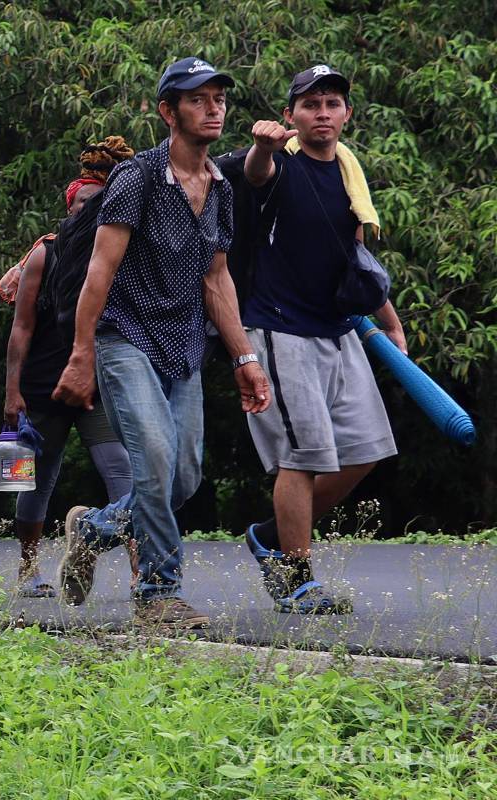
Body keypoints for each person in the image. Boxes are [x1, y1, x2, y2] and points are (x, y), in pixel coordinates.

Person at [53, 57, 271, 629]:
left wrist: (244, 356)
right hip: (124, 335)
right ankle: (158, 593)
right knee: (153, 460)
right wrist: (82, 355)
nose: (213, 108)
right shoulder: (138, 178)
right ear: (168, 112)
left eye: (219, 98)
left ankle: (94, 529)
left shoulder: (220, 187)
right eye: (197, 99)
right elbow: (99, 271)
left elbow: (216, 276)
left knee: (184, 476)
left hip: (183, 345)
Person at [239, 65, 403, 614]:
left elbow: (353, 257)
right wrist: (263, 148)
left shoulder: (350, 172)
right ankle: (297, 577)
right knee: (303, 456)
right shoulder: (280, 164)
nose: (322, 114)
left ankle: (270, 536)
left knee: (366, 451)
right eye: (310, 105)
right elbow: (256, 175)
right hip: (281, 328)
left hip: (339, 329)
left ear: (346, 114)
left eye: (332, 104)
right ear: (291, 116)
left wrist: (391, 320)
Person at [3, 140, 137, 598]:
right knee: (35, 478)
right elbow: (21, 329)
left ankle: (143, 575)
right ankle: (27, 569)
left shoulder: (120, 254)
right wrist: (12, 394)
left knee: (122, 474)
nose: (87, 210)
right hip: (44, 388)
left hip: (100, 385)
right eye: (81, 203)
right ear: (69, 206)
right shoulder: (46, 254)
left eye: (97, 204)